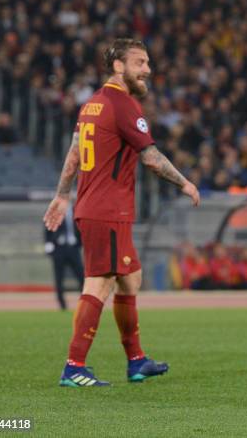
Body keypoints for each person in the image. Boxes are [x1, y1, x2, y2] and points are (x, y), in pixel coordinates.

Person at [43, 38, 200, 387]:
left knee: (131, 279)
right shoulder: (123, 104)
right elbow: (150, 157)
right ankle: (74, 366)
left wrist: (62, 195)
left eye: (147, 62)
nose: (147, 69)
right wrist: (185, 183)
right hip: (107, 211)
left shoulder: (91, 105)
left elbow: (73, 153)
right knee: (100, 283)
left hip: (99, 208)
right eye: (140, 62)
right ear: (119, 66)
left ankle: (136, 361)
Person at [44, 202, 84, 310]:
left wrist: (80, 243)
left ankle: (84, 304)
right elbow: (47, 226)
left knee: (82, 276)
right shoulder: (54, 210)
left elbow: (81, 227)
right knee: (59, 278)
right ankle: (62, 306)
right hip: (59, 248)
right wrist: (48, 243)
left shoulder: (76, 209)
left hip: (73, 248)